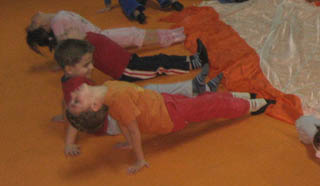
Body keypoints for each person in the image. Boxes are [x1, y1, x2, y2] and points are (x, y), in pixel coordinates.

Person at [65, 81, 272, 174]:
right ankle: (252, 105)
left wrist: (127, 142)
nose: (73, 95)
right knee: (210, 106)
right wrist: (139, 159)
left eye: (72, 99)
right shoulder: (116, 99)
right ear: (94, 106)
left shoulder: (107, 88)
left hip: (163, 101)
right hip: (169, 116)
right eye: (76, 102)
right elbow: (132, 128)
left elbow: (120, 121)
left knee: (205, 100)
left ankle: (238, 96)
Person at [57, 41, 223, 156]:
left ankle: (195, 86)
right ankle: (199, 88)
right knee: (157, 97)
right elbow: (74, 113)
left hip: (111, 112)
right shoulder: (78, 87)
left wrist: (64, 115)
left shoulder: (70, 81)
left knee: (151, 91)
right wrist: (69, 142)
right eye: (86, 65)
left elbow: (66, 101)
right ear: (69, 69)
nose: (92, 67)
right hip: (110, 121)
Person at [53, 34, 207, 84]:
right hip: (128, 71)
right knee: (161, 65)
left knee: (161, 58)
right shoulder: (83, 49)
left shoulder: (86, 40)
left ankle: (192, 59)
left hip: (130, 61)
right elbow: (80, 72)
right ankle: (195, 63)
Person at [26, 10, 185, 52]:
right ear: (43, 27)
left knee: (135, 35)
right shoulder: (58, 19)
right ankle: (174, 36)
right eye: (33, 23)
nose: (35, 18)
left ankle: (174, 35)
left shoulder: (57, 19)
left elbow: (63, 45)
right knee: (135, 36)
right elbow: (64, 45)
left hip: (101, 37)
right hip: (100, 38)